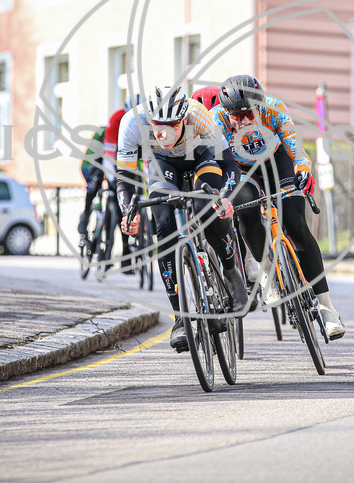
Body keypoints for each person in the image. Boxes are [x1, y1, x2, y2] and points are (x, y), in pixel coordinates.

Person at [210, 74, 345, 340]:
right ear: (227, 112)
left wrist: (304, 170)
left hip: (276, 162)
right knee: (246, 214)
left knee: (295, 225)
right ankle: (267, 274)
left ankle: (327, 308)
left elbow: (295, 148)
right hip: (241, 170)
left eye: (249, 112)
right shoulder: (216, 120)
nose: (245, 120)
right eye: (237, 115)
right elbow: (215, 163)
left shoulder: (273, 109)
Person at [117, 84, 249, 352]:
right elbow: (125, 178)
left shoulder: (201, 116)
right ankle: (180, 317)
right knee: (164, 225)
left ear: (185, 119)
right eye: (157, 125)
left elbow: (230, 164)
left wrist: (225, 195)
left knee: (206, 206)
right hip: (160, 164)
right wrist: (128, 211)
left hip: (200, 158)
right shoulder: (132, 123)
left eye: (173, 125)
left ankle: (230, 270)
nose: (163, 133)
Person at [192, 85, 259, 284]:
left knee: (239, 208)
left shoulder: (229, 119)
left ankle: (248, 259)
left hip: (232, 164)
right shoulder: (190, 122)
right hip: (204, 165)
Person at [77, 107, 135, 273]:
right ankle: (86, 214)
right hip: (97, 159)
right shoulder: (110, 128)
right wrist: (113, 182)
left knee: (121, 204)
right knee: (94, 185)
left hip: (120, 158)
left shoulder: (137, 130)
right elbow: (107, 161)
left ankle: (124, 251)